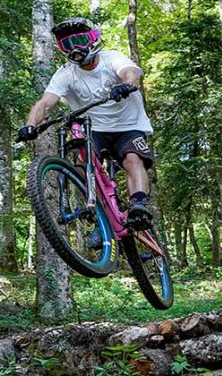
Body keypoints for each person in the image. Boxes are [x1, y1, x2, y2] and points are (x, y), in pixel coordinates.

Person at [17, 17, 154, 229]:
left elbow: (131, 71)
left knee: (132, 159)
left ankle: (139, 205)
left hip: (128, 126)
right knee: (82, 166)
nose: (75, 49)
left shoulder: (111, 59)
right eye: (68, 45)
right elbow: (45, 103)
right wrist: (30, 125)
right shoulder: (66, 73)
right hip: (95, 130)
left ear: (93, 40)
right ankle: (101, 219)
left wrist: (126, 85)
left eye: (80, 41)